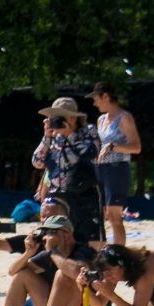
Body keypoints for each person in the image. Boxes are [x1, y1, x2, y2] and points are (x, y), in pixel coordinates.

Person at [32, 96, 104, 245]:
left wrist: (69, 134)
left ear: (72, 118)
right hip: (57, 196)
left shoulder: (88, 132)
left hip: (83, 194)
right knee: (57, 238)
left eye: (60, 117)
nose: (56, 121)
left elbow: (92, 154)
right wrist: (46, 136)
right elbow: (37, 162)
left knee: (90, 241)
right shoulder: (53, 137)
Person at [91, 83, 142, 249]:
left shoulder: (124, 117)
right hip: (101, 169)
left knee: (115, 216)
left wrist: (114, 146)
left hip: (117, 168)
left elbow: (136, 147)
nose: (94, 103)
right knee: (103, 214)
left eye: (96, 98)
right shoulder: (101, 120)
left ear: (106, 96)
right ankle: (105, 252)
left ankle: (119, 254)